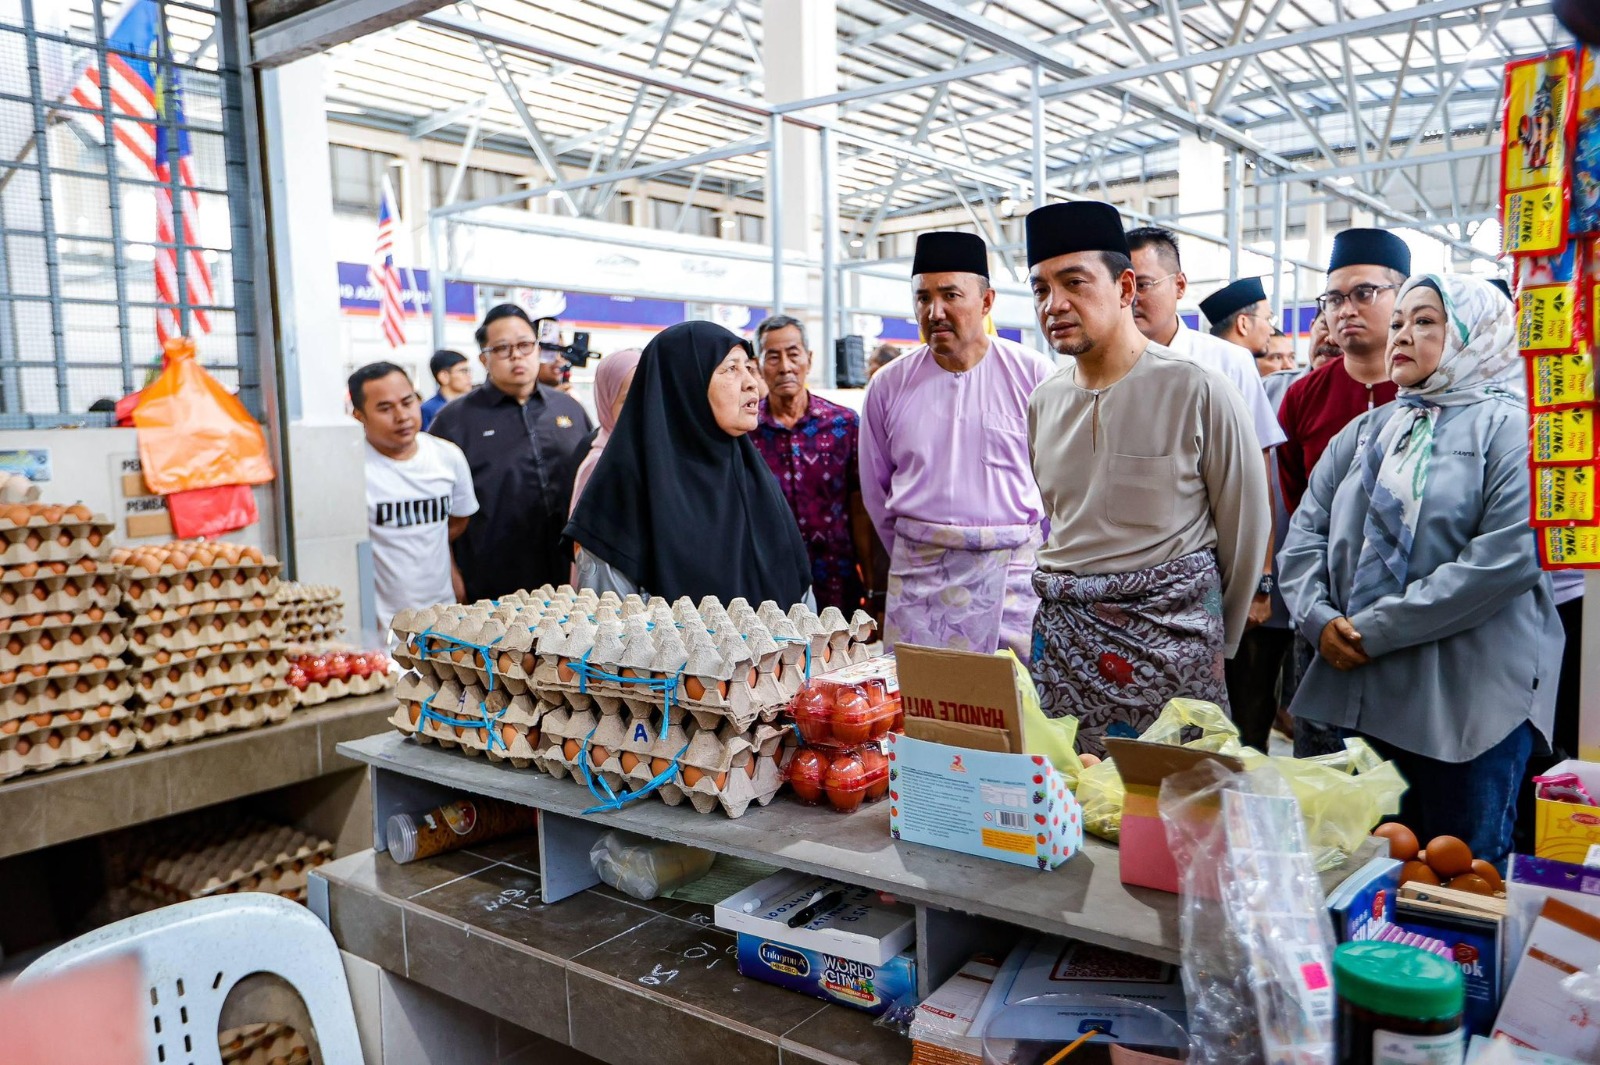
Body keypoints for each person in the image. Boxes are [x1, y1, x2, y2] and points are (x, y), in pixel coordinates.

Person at [1279, 275, 1559, 865]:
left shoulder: (1516, 432)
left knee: (1462, 873)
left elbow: (1504, 560)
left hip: (1467, 701)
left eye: (1427, 321)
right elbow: (1304, 535)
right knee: (1369, 870)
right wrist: (1317, 617)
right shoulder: (1367, 431)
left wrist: (1372, 630)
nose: (1402, 335)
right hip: (1364, 692)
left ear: (1476, 334)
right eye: (1401, 321)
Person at [1024, 201, 1270, 757]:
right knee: (1073, 796)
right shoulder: (1044, 401)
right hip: (1064, 658)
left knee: (1178, 804)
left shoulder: (1198, 389)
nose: (1054, 304)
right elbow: (1059, 521)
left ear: (1125, 287)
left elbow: (1245, 532)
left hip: (1175, 661)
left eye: (1074, 283)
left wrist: (1208, 640)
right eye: (1040, 288)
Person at [860, 231, 1055, 661]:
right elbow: (876, 492)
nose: (935, 312)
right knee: (919, 697)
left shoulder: (1033, 375)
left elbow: (1059, 487)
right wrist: (924, 549)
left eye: (950, 295)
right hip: (919, 579)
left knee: (1014, 698)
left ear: (986, 302)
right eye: (923, 297)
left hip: (1013, 578)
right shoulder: (888, 385)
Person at [565, 321, 812, 605]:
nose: (751, 383)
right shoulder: (623, 489)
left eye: (748, 367)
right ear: (686, 382)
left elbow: (801, 598)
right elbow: (610, 619)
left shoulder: (753, 477)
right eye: (731, 368)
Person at [430, 304, 593, 602]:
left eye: (525, 345)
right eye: (502, 348)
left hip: (568, 576)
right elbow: (436, 512)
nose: (516, 355)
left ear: (537, 348)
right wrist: (451, 575)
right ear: (484, 359)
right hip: (490, 581)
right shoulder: (453, 421)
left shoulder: (569, 409)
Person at [1277, 229, 1408, 514]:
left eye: (1364, 294)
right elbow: (1298, 503)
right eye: (1335, 299)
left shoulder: (1432, 389)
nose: (1346, 310)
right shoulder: (1303, 396)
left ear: (1404, 297)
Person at [750, 315, 871, 613]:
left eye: (793, 354)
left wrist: (872, 582)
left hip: (836, 578)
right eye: (773, 357)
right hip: (769, 582)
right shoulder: (746, 432)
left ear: (809, 358)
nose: (785, 367)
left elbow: (859, 506)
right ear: (759, 366)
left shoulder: (844, 424)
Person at [1125, 229, 1286, 453]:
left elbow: (1259, 451)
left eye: (1142, 285)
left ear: (1179, 285)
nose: (1131, 298)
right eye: (1122, 287)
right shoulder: (1100, 366)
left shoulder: (1230, 363)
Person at [349, 362, 479, 636]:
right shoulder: (351, 469)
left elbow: (458, 520)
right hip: (379, 627)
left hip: (443, 619)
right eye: (385, 408)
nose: (402, 416)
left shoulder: (448, 457)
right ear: (359, 415)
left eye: (408, 402)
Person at [570, 347, 641, 512]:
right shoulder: (600, 463)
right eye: (627, 400)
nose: (640, 406)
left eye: (646, 394)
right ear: (607, 402)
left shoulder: (647, 451)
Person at [421, 349, 471, 431]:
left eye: (469, 371)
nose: (469, 376)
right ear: (444, 376)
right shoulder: (428, 410)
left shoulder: (472, 406)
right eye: (463, 371)